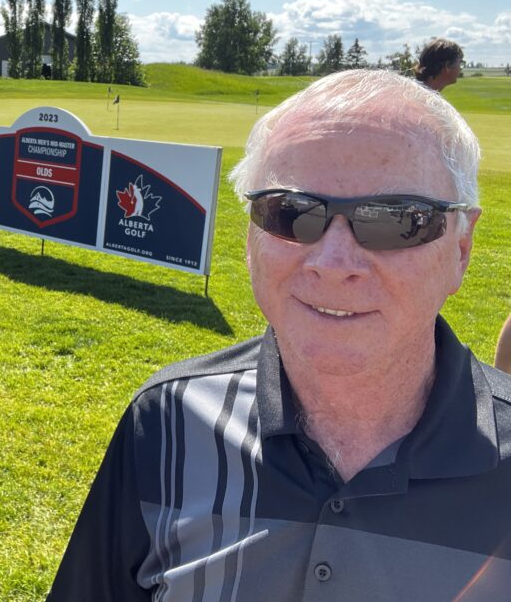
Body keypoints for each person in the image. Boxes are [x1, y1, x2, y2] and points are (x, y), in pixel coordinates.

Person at [48, 69, 511, 601]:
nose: (335, 264)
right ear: (250, 238)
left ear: (461, 247)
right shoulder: (166, 421)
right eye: (290, 213)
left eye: (397, 220)